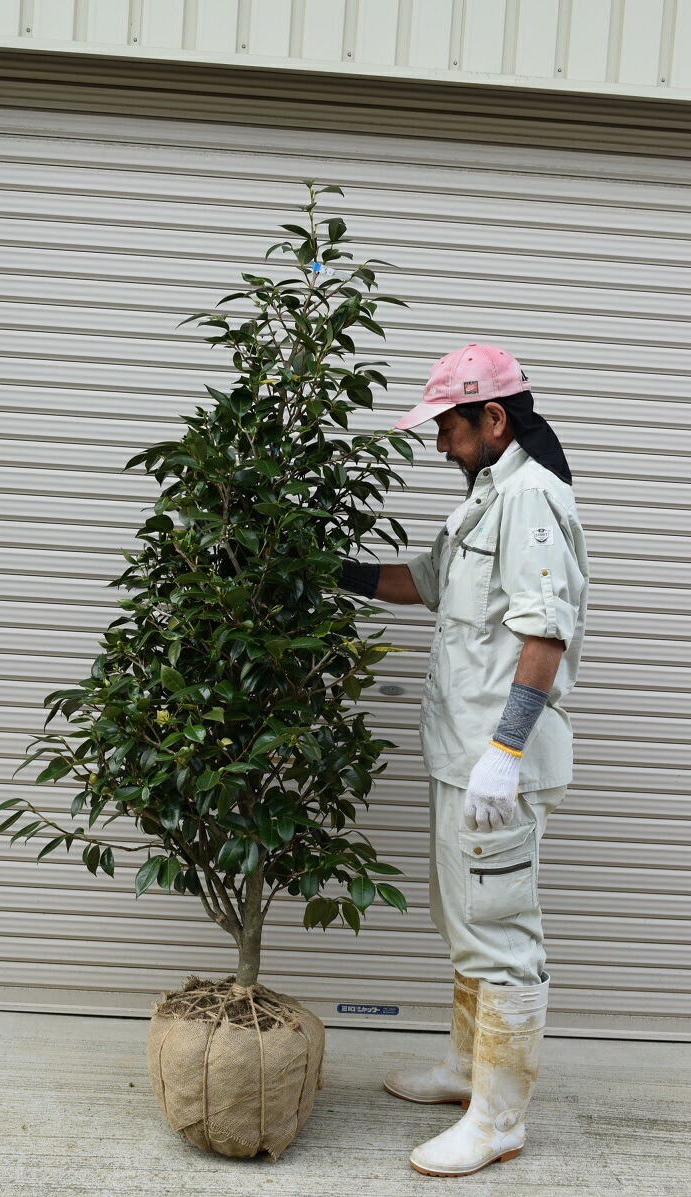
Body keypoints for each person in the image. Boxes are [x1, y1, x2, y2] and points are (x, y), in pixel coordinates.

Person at [339, 343, 589, 1177]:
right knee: (465, 921)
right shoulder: (486, 495)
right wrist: (334, 573)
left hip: (497, 765)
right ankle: (463, 1070)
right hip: (464, 757)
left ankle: (500, 1116)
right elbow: (431, 584)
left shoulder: (531, 499)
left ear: (493, 418)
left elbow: (544, 629)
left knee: (503, 934)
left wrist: (505, 751)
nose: (439, 444)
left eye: (447, 427)